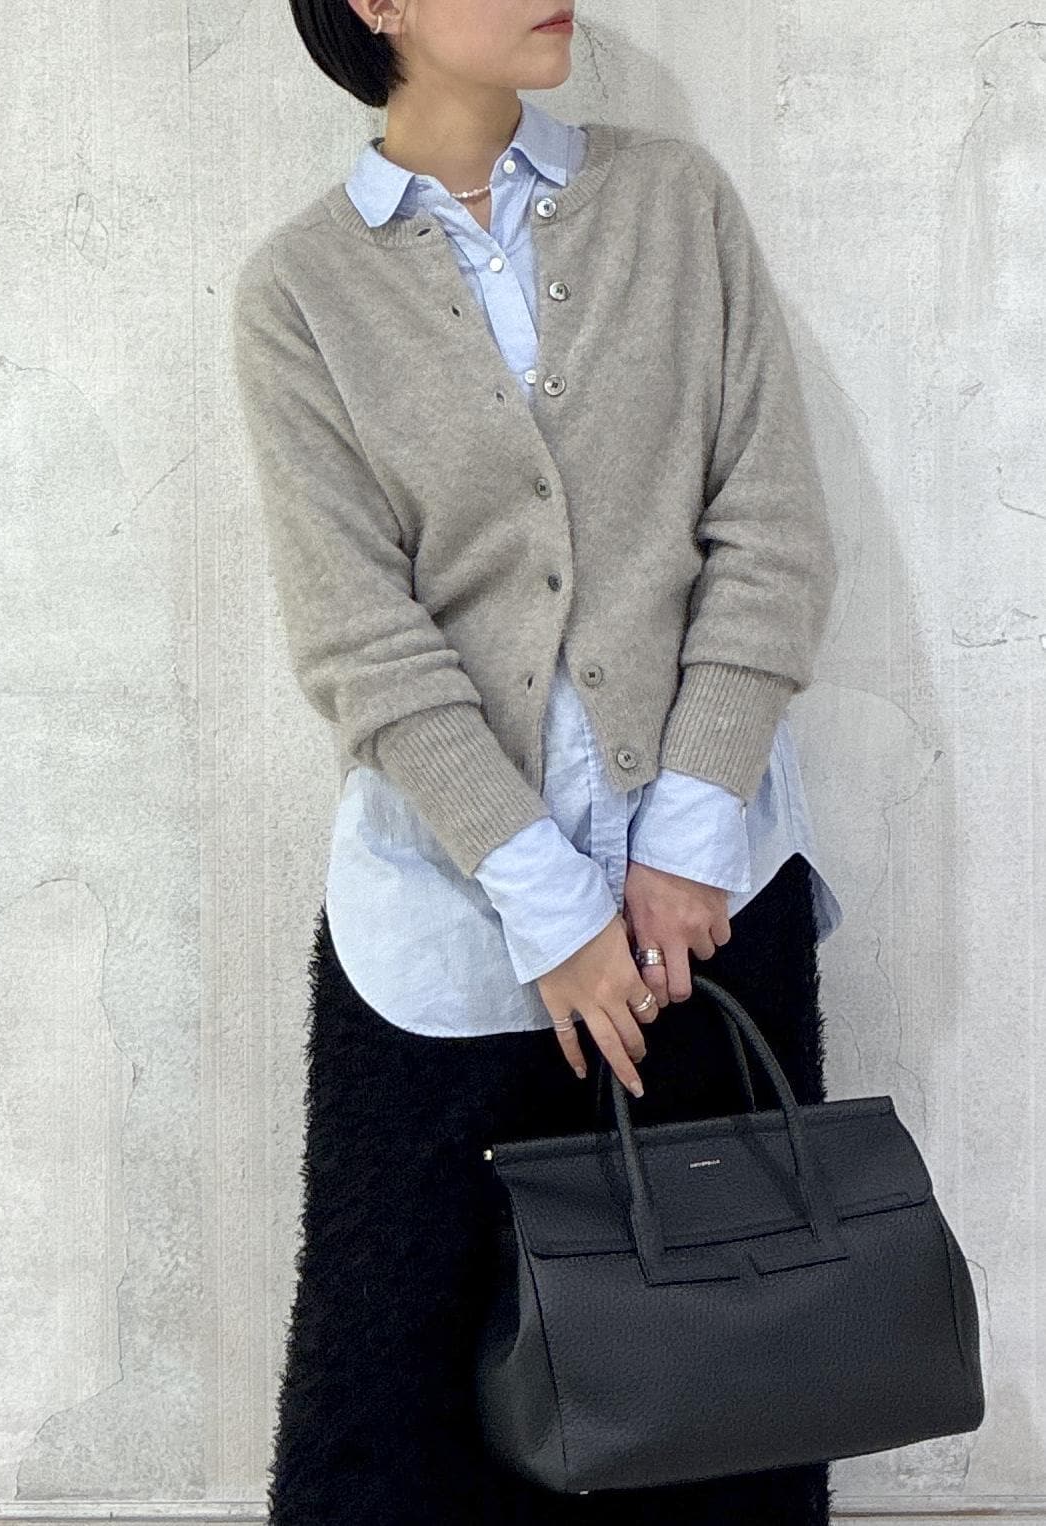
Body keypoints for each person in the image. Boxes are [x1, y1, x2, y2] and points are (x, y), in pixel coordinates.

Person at [231, 3, 843, 1522]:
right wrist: (549, 903)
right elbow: (360, 639)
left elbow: (769, 530)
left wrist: (685, 830)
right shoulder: (300, 291)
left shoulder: (674, 203)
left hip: (707, 904)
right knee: (397, 1418)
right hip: (447, 928)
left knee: (729, 1397)